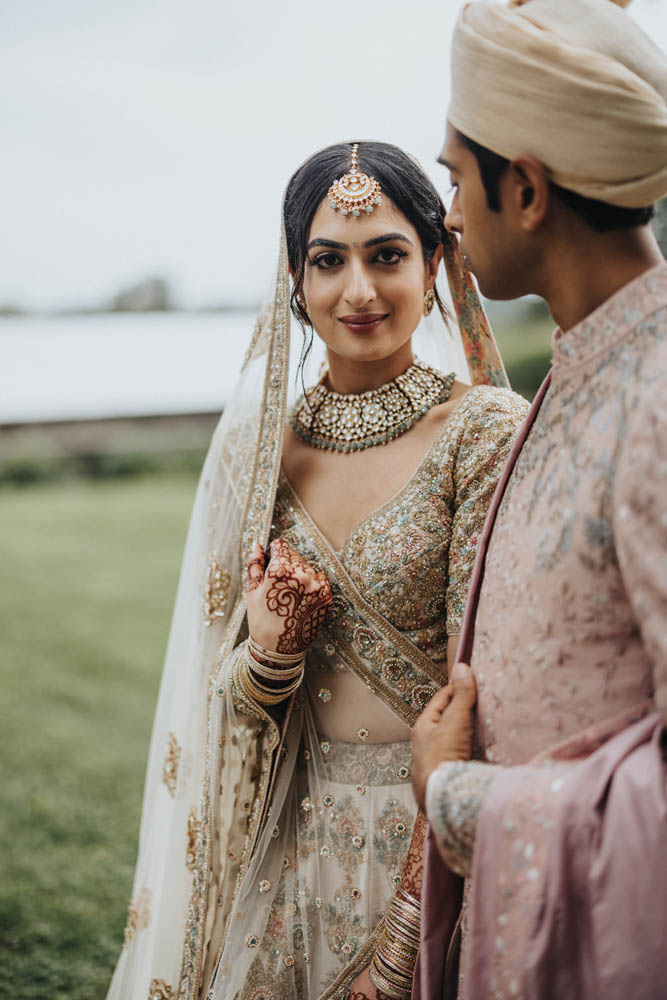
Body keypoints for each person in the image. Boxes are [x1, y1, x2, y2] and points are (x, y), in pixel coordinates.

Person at [105, 141, 529, 1000]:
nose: (359, 291)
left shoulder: (479, 431)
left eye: (386, 255)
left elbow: (486, 702)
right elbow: (230, 707)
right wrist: (270, 649)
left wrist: (407, 933)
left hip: (431, 844)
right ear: (294, 281)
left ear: (435, 261)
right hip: (289, 844)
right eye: (327, 261)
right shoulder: (261, 450)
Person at [410, 1, 667, 997]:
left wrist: (457, 793)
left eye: (452, 176)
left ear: (522, 189)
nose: (445, 214)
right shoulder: (585, 363)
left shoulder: (653, 401)